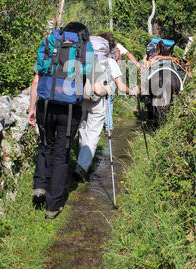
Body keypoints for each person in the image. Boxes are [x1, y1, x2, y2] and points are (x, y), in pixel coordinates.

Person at [28, 22, 92, 219]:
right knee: (62, 152)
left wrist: (32, 108)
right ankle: (53, 206)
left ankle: (39, 186)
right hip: (70, 108)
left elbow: (37, 79)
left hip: (45, 105)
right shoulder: (83, 48)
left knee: (45, 144)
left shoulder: (50, 43)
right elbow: (93, 88)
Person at [74, 35, 140, 182]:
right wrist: (134, 91)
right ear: (108, 48)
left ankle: (82, 161)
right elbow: (121, 87)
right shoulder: (110, 62)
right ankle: (82, 166)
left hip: (80, 98)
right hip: (98, 101)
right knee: (93, 133)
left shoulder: (83, 57)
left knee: (82, 129)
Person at [99, 32, 141, 132]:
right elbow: (129, 55)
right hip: (113, 76)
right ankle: (108, 128)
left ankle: (103, 127)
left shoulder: (93, 52)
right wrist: (138, 65)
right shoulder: (118, 48)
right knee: (109, 99)